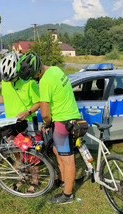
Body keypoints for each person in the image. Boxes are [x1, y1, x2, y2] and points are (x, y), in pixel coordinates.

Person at [17, 51, 81, 205]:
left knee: (68, 159)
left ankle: (67, 195)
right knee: (56, 151)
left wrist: (46, 123)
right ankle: (63, 179)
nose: (34, 79)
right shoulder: (55, 70)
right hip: (72, 116)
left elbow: (45, 114)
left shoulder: (45, 81)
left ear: (37, 71)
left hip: (62, 121)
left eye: (33, 76)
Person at [0, 52, 40, 193]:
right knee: (15, 151)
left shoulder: (29, 82)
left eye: (13, 79)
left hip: (28, 121)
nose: (10, 81)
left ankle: (35, 180)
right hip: (11, 121)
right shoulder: (6, 82)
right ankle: (23, 177)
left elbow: (38, 103)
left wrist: (27, 112)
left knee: (30, 153)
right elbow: (5, 98)